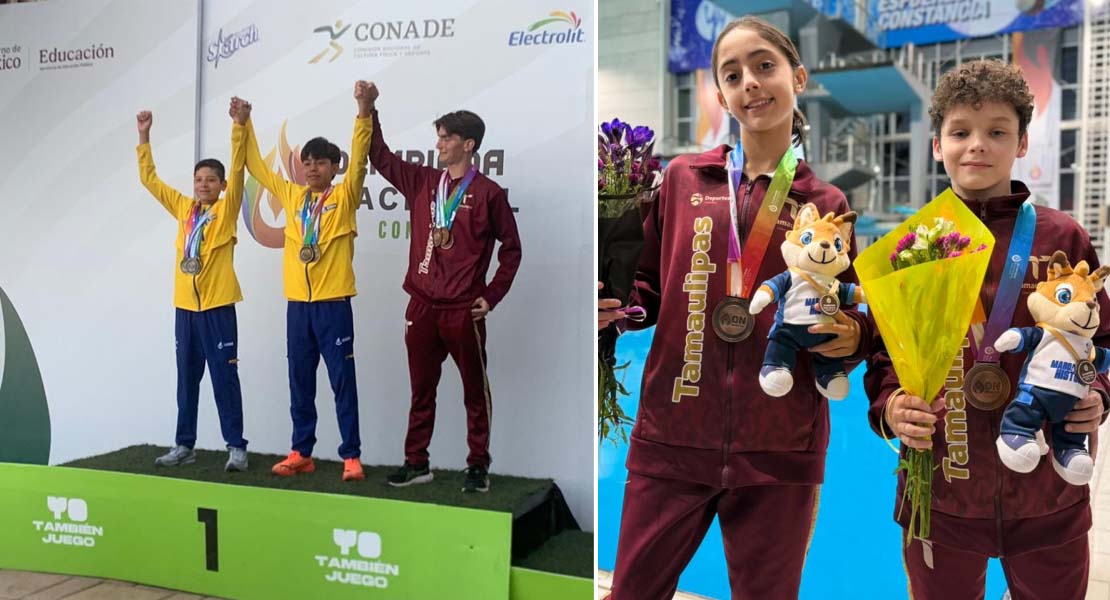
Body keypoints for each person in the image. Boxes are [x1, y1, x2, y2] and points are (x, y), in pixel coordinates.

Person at [596, 16, 869, 599]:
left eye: (764, 66)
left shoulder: (825, 202)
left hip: (780, 447)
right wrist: (613, 310)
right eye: (733, 74)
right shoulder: (681, 180)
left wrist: (853, 339)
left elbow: (853, 311)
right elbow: (647, 286)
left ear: (798, 77)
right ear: (721, 96)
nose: (750, 82)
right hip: (672, 435)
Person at [865, 59, 1110, 599]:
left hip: (1047, 493)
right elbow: (884, 352)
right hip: (941, 490)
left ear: (1021, 143)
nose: (977, 145)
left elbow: (1102, 339)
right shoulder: (913, 245)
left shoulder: (1061, 239)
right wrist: (891, 406)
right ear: (937, 145)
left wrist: (1097, 391)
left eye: (997, 132)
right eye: (960, 132)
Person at [366, 83, 522, 494]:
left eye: (446, 137)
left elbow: (512, 249)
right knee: (421, 390)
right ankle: (417, 462)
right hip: (422, 305)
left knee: (474, 391)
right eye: (438, 136)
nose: (438, 144)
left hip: (462, 309)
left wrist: (492, 296)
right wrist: (369, 109)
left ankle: (478, 466)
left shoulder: (488, 194)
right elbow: (379, 156)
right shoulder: (423, 181)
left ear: (468, 144)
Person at [236, 82, 373, 482]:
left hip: (333, 306)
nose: (312, 168)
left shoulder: (344, 197)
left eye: (321, 163)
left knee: (342, 382)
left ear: (333, 167)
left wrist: (363, 111)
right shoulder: (293, 197)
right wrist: (243, 124)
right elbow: (256, 167)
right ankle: (301, 452)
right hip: (297, 307)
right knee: (299, 382)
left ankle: (351, 455)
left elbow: (359, 159)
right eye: (307, 162)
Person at [136, 106, 248, 472]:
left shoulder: (226, 211)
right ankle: (184, 444)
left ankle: (236, 447)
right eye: (199, 179)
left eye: (211, 180)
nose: (203, 184)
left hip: (218, 309)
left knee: (224, 379)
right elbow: (150, 180)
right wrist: (144, 137)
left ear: (222, 186)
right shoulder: (184, 208)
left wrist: (238, 126)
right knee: (186, 380)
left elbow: (238, 169)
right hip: (185, 310)